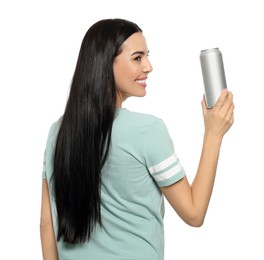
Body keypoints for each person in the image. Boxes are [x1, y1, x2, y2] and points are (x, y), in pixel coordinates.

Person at [40, 18, 234, 260]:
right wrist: (213, 134)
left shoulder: (57, 132)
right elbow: (194, 214)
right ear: (105, 63)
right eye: (137, 58)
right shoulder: (147, 130)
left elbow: (47, 224)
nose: (149, 66)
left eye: (147, 56)